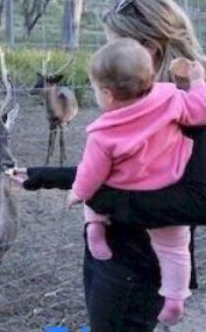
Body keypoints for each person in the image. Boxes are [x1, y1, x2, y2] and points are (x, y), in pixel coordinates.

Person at [12, 0, 206, 331]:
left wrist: (99, 198)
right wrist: (43, 176)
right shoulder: (138, 107)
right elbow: (115, 171)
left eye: (114, 47)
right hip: (111, 258)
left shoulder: (189, 109)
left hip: (138, 271)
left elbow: (197, 200)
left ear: (149, 50)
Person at [68, 37, 206, 324]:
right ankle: (175, 298)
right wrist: (198, 81)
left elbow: (89, 175)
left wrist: (77, 193)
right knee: (175, 249)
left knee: (96, 194)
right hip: (167, 189)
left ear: (106, 94)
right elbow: (200, 109)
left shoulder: (103, 132)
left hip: (124, 189)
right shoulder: (170, 98)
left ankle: (95, 228)